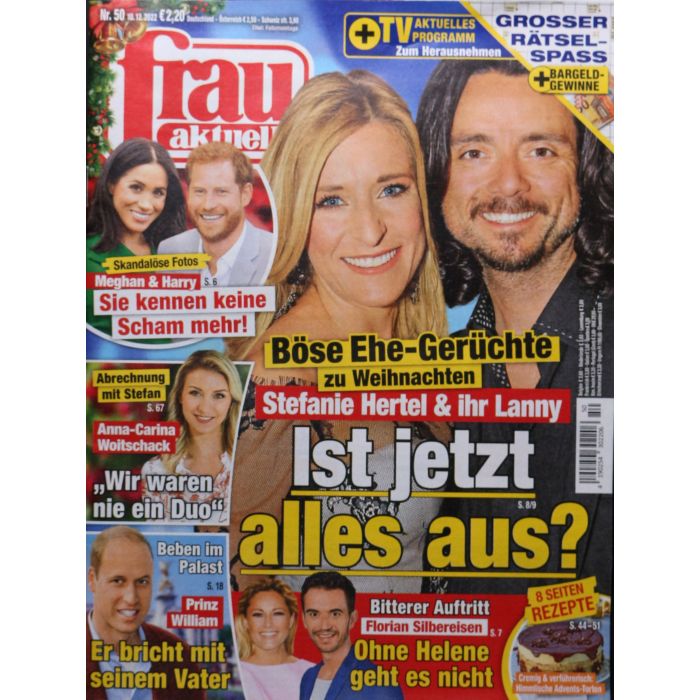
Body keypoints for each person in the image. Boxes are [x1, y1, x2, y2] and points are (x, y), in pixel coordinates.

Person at [226, 70, 449, 592]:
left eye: (392, 189)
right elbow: (234, 601)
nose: (371, 231)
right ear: (295, 217)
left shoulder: (419, 350)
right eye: (332, 200)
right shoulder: (278, 379)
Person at [416, 59, 613, 593]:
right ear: (437, 174)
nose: (509, 184)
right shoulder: (436, 376)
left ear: (585, 168)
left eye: (541, 150)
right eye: (474, 152)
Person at [86, 526, 204, 700]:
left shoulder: (181, 658)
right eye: (118, 580)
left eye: (142, 581)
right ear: (92, 580)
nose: (131, 598)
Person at [87, 138, 186, 334]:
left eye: (158, 193)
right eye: (136, 188)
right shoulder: (87, 258)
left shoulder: (174, 251)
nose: (146, 205)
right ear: (111, 184)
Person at [141, 350, 243, 525]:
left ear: (231, 401)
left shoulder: (249, 463)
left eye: (219, 395)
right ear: (180, 396)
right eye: (195, 393)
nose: (204, 408)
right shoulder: (156, 470)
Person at [157, 141, 274, 287]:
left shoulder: (273, 253)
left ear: (245, 194)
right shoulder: (170, 249)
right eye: (199, 191)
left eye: (221, 192)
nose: (208, 205)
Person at [299, 572, 403, 700]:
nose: (324, 625)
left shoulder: (379, 683)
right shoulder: (308, 678)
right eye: (314, 614)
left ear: (352, 619)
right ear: (304, 620)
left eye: (335, 614)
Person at [235, 578, 314, 699]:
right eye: (258, 615)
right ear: (245, 622)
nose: (268, 624)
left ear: (291, 620)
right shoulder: (235, 674)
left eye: (277, 613)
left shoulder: (313, 672)